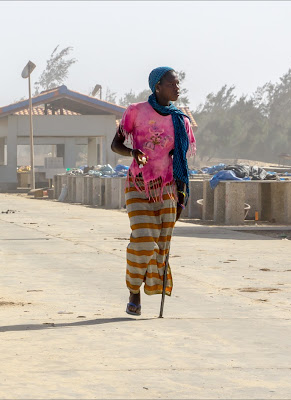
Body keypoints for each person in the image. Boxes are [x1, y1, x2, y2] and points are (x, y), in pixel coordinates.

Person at [111, 67, 196, 316]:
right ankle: (133, 291)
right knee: (144, 240)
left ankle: (148, 288)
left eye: (178, 84)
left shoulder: (180, 119)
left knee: (160, 244)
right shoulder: (135, 111)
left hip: (168, 187)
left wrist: (182, 193)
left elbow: (182, 159)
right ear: (157, 86)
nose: (177, 88)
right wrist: (132, 153)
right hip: (139, 184)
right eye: (172, 84)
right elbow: (116, 143)